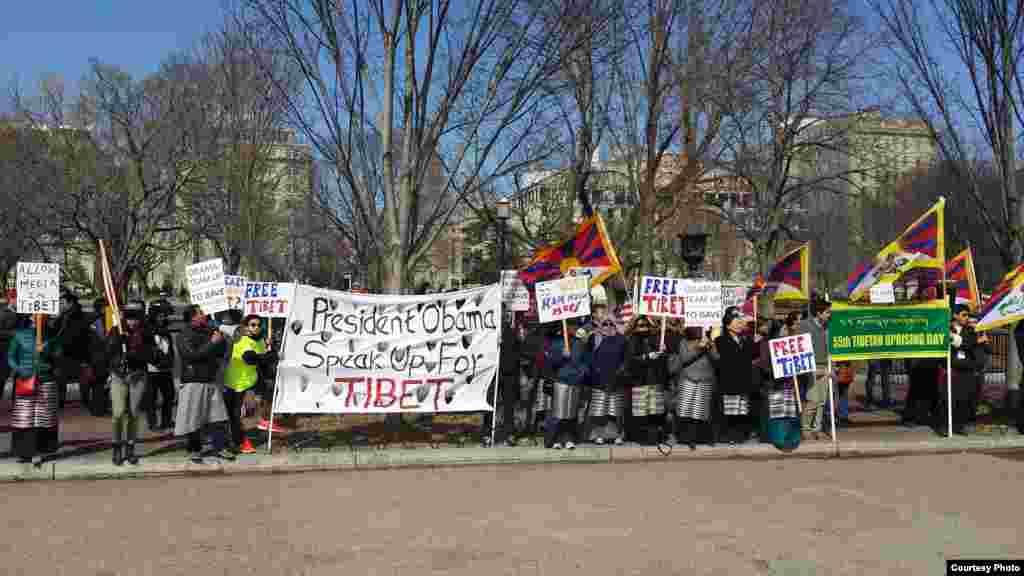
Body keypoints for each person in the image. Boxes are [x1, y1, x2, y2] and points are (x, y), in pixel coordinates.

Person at [176, 305, 234, 464]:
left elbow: (221, 352)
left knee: (218, 417)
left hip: (211, 379)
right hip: (194, 380)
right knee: (194, 418)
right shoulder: (183, 335)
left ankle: (220, 447)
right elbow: (192, 355)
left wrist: (222, 340)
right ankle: (195, 450)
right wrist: (212, 343)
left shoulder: (209, 331)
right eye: (201, 313)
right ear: (193, 317)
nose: (204, 314)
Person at [7, 314, 63, 466]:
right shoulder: (19, 335)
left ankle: (40, 450)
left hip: (46, 380)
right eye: (35, 316)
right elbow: (11, 356)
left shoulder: (52, 336)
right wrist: (20, 370)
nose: (38, 318)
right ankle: (24, 451)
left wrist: (47, 349)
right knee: (24, 417)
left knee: (43, 418)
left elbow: (59, 356)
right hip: (26, 381)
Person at [222, 314, 278, 454]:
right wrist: (270, 356)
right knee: (236, 415)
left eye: (259, 325)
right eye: (253, 325)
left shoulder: (259, 341)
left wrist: (270, 348)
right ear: (245, 327)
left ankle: (243, 439)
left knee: (245, 413)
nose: (256, 327)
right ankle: (240, 442)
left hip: (249, 381)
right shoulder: (242, 340)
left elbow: (266, 360)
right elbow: (250, 358)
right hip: (235, 382)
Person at [106, 302, 152, 466]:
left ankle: (130, 447)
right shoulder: (116, 331)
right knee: (118, 413)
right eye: (129, 318)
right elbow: (107, 352)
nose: (133, 322)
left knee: (133, 413)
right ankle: (116, 445)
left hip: (137, 376)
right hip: (119, 376)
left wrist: (134, 353)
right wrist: (118, 341)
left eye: (136, 318)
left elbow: (151, 354)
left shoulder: (145, 332)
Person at [668, 327, 718, 450]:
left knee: (701, 411)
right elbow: (685, 358)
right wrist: (700, 348)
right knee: (685, 411)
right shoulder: (683, 342)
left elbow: (716, 358)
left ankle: (702, 438)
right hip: (688, 379)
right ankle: (686, 438)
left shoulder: (709, 341)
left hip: (705, 380)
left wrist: (710, 346)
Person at [544, 318, 590, 449]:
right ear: (566, 327)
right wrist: (561, 356)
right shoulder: (557, 342)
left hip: (576, 381)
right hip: (561, 380)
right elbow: (551, 362)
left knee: (572, 413)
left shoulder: (580, 343)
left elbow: (586, 360)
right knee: (558, 413)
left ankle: (569, 438)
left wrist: (582, 372)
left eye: (575, 325)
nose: (574, 328)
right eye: (571, 325)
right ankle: (555, 439)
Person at [756, 319, 802, 451]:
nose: (786, 331)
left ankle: (781, 438)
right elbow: (765, 363)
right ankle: (778, 438)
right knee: (779, 414)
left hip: (781, 382)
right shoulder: (770, 343)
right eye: (784, 329)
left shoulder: (777, 343)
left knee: (781, 414)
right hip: (777, 383)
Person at [714, 307, 758, 445]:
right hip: (729, 381)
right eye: (736, 322)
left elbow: (751, 355)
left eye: (740, 322)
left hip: (744, 380)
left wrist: (753, 342)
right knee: (730, 410)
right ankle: (729, 435)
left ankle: (740, 434)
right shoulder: (720, 340)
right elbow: (727, 359)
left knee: (742, 410)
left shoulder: (746, 339)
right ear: (728, 325)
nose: (740, 324)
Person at [624, 316, 668, 445]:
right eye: (641, 325)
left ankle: (654, 436)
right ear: (635, 327)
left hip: (654, 378)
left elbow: (663, 360)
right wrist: (646, 357)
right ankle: (640, 437)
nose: (644, 328)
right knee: (641, 410)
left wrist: (663, 351)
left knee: (654, 410)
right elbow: (631, 360)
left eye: (646, 325)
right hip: (639, 379)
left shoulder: (656, 339)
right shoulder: (632, 340)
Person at [587, 307, 627, 445]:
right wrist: (595, 372)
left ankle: (617, 434)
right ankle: (599, 434)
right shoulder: (594, 338)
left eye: (611, 323)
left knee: (616, 410)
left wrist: (620, 371)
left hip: (616, 379)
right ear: (600, 325)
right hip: (599, 380)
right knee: (599, 410)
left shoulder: (622, 339)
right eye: (605, 323)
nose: (608, 326)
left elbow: (626, 359)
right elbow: (588, 358)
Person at [796, 298, 831, 439]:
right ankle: (805, 429)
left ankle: (817, 428)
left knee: (822, 401)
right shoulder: (804, 325)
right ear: (818, 313)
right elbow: (798, 346)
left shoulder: (827, 326)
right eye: (827, 312)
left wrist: (831, 367)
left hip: (825, 365)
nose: (829, 315)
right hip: (811, 366)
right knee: (813, 400)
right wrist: (807, 369)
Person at [948, 305, 979, 435]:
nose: (966, 318)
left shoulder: (970, 330)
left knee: (964, 398)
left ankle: (962, 425)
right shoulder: (946, 328)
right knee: (949, 398)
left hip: (965, 369)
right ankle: (948, 424)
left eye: (967, 315)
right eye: (964, 315)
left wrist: (953, 338)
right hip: (951, 369)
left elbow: (969, 343)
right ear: (955, 315)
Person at [145, 303, 176, 431]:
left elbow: (169, 348)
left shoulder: (165, 330)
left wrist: (170, 360)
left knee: (169, 395)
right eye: (160, 316)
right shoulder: (148, 331)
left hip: (165, 368)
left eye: (163, 316)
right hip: (152, 369)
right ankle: (152, 423)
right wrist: (156, 360)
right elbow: (147, 350)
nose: (162, 318)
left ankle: (166, 420)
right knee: (151, 398)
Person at [0, 299, 16, 400]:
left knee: (3, 376)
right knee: (2, 376)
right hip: (5, 349)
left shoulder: (12, 313)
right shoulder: (9, 313)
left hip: (7, 349)